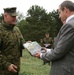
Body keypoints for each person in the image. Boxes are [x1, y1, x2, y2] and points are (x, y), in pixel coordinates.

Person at [34, 1, 74, 75]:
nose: (59, 16)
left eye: (59, 12)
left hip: (64, 71)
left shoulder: (69, 25)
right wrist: (48, 51)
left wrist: (41, 55)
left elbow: (59, 52)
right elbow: (67, 49)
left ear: (65, 10)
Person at [0, 7, 25, 75]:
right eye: (12, 16)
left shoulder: (16, 29)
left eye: (15, 16)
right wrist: (7, 65)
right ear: (5, 15)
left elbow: (21, 43)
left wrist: (28, 45)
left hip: (16, 69)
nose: (15, 18)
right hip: (3, 71)